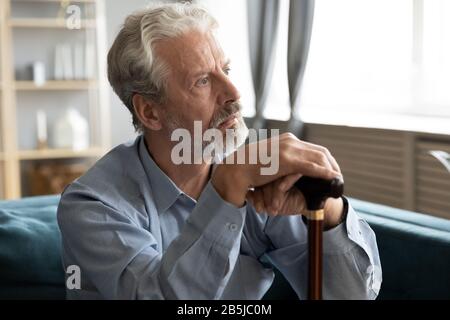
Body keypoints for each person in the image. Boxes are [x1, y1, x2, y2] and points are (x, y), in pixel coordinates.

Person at [57, 2, 381, 300]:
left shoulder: (254, 176)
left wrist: (326, 211)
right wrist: (225, 191)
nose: (233, 92)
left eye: (225, 70)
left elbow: (354, 295)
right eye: (202, 81)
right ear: (150, 112)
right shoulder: (91, 206)